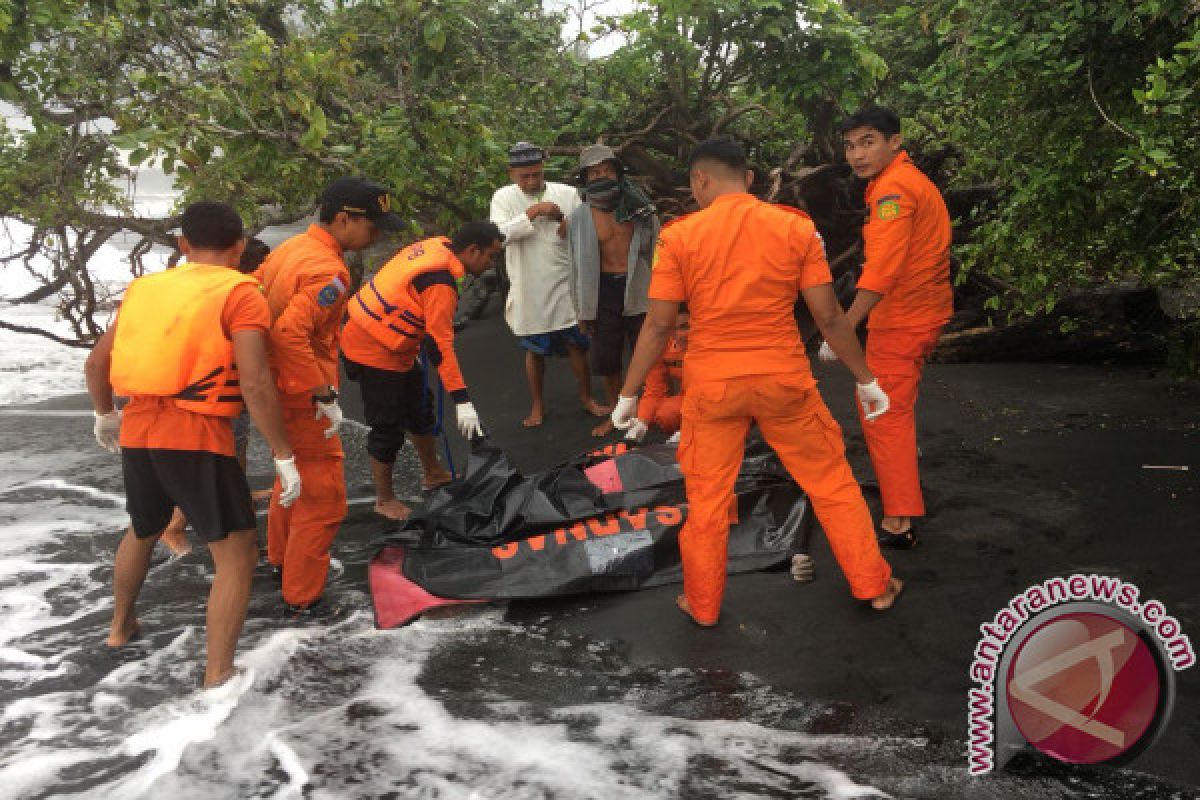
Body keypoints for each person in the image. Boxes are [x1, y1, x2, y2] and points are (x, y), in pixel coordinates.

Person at [610, 136, 904, 627]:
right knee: (831, 483)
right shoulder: (794, 227)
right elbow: (829, 316)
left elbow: (659, 325)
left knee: (706, 499)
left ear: (700, 179)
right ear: (748, 179)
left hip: (713, 387)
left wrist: (628, 392)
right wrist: (866, 379)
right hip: (783, 379)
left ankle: (702, 606)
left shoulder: (678, 236)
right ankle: (873, 585)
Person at [84, 201, 301, 687]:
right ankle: (217, 673)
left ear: (183, 245)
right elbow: (256, 382)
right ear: (240, 246)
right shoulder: (243, 292)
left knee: (143, 528)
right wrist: (283, 455)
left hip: (139, 427)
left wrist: (104, 415)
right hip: (197, 434)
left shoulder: (144, 287)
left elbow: (98, 364)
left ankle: (120, 628)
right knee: (237, 555)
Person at [257, 176, 404, 615]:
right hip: (300, 393)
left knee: (292, 480)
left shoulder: (289, 249)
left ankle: (282, 561)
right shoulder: (330, 272)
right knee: (323, 498)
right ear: (344, 219)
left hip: (274, 387)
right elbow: (288, 333)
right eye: (372, 226)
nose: (376, 235)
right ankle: (303, 598)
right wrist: (321, 392)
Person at [817, 108, 953, 550]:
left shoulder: (895, 188)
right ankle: (901, 487)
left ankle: (899, 518)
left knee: (883, 413)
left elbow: (882, 270)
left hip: (905, 318)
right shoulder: (902, 181)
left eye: (868, 141)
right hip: (915, 312)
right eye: (850, 145)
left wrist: (845, 327)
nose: (857, 154)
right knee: (889, 410)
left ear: (895, 141)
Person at [341, 222, 505, 519]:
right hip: (371, 349)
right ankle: (384, 499)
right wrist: (462, 401)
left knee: (420, 408)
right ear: (472, 250)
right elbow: (439, 345)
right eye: (490, 257)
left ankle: (433, 473)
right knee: (387, 427)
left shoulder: (440, 243)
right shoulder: (439, 282)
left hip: (398, 347)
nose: (491, 263)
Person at [490, 141, 607, 427]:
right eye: (524, 176)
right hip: (529, 285)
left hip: (564, 280)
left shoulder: (566, 193)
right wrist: (532, 212)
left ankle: (586, 398)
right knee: (534, 349)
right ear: (511, 174)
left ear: (543, 169)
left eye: (536, 174)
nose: (531, 181)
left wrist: (559, 217)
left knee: (577, 345)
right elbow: (498, 237)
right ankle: (537, 405)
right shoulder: (504, 198)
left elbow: (582, 231)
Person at [566, 144, 659, 437]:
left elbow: (660, 249)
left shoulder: (639, 206)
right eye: (595, 172)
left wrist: (669, 296)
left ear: (618, 173)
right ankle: (616, 414)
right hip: (602, 291)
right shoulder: (581, 216)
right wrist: (582, 308)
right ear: (586, 178)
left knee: (649, 352)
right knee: (607, 358)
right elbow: (576, 265)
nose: (602, 175)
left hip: (640, 287)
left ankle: (648, 412)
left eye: (607, 169)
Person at [623, 310, 689, 443]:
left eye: (685, 326)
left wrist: (692, 428)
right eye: (672, 328)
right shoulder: (663, 345)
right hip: (691, 396)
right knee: (665, 414)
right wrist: (642, 422)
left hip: (721, 399)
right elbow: (654, 390)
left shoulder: (713, 343)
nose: (678, 335)